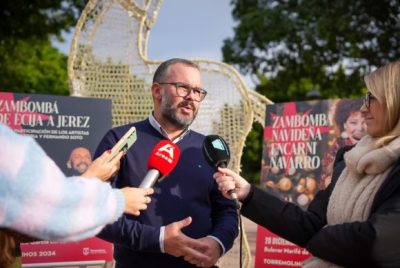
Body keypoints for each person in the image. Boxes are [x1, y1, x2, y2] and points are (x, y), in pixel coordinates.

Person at [214, 61, 400, 267]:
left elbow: (380, 241)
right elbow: (311, 224)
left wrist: (315, 238)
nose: (364, 108)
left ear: (395, 99)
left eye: (371, 97)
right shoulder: (347, 159)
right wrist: (249, 194)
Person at [94, 58, 238, 268]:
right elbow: (97, 213)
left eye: (198, 91)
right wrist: (159, 240)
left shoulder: (208, 148)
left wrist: (218, 243)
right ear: (157, 91)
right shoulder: (119, 140)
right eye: (182, 88)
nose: (191, 97)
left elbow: (227, 210)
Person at [0, 123, 154, 267]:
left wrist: (91, 176)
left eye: (85, 157)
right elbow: (54, 211)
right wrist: (120, 200)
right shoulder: (8, 147)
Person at [321, 98, 367, 188]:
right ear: (344, 125)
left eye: (364, 122)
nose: (360, 128)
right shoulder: (335, 150)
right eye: (354, 123)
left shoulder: (378, 145)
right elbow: (326, 183)